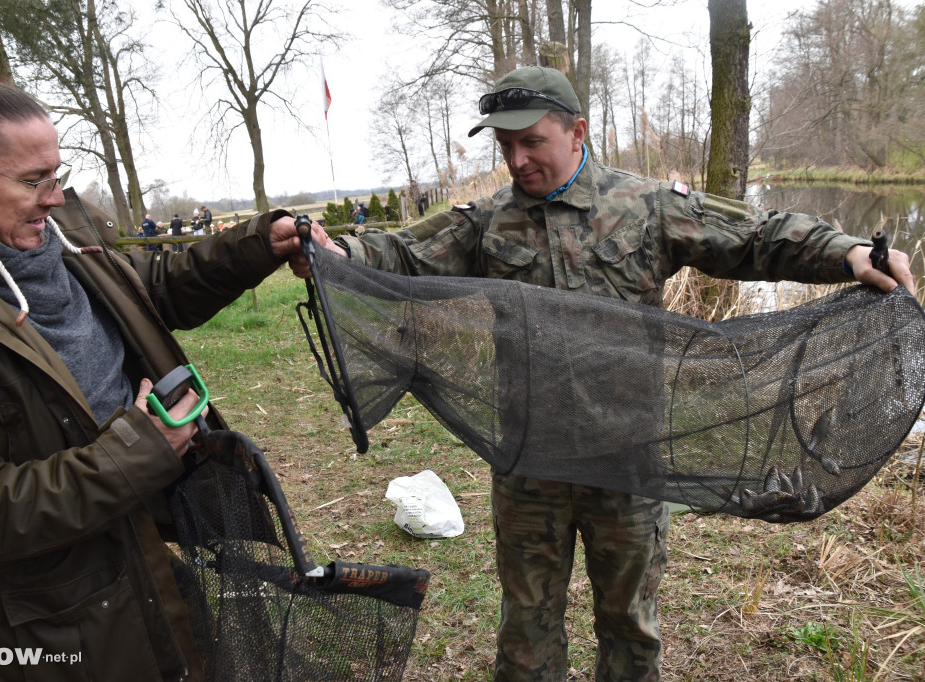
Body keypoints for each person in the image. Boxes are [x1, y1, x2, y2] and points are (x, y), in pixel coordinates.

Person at [276, 66, 913, 681]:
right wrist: (334, 254)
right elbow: (399, 253)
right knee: (527, 628)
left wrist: (849, 253)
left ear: (577, 132)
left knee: (629, 624)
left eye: (532, 142)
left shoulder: (647, 206)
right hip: (532, 464)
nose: (518, 160)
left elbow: (756, 236)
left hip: (628, 459)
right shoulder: (486, 221)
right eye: (506, 146)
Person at [0, 70, 301, 681]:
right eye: (33, 181)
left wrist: (254, 245)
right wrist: (140, 452)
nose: (55, 196)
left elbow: (141, 291)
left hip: (140, 545)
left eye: (56, 176)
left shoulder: (55, 234)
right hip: (48, 620)